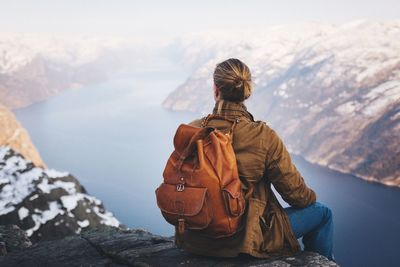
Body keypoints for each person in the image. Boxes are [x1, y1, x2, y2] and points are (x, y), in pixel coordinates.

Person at [175, 58, 334, 261]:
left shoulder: (192, 130)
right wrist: (310, 197)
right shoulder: (262, 136)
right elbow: (297, 196)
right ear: (246, 91)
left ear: (216, 89)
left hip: (194, 237)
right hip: (243, 241)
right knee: (322, 213)